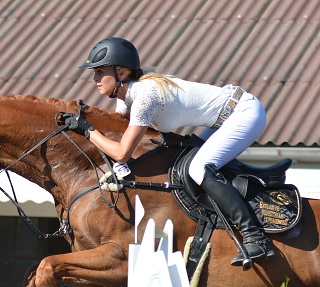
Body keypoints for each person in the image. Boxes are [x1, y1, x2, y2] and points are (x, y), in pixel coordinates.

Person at [68, 37, 274, 267]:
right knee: (189, 158)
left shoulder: (145, 95)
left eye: (99, 72)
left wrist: (88, 131)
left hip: (244, 113)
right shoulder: (127, 99)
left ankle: (255, 237)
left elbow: (122, 153)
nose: (94, 79)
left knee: (199, 168)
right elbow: (123, 147)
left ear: (122, 73)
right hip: (224, 119)